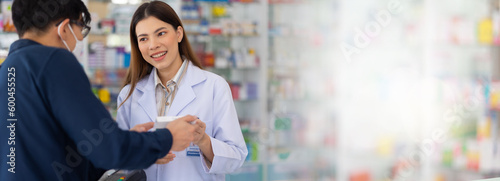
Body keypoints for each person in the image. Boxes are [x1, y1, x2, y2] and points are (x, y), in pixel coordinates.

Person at [0, 0, 202, 180]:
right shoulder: (54, 61)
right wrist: (167, 138)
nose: (80, 38)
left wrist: (130, 141)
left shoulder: (8, 68)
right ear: (64, 28)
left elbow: (50, 155)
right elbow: (108, 150)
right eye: (81, 28)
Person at [116, 1, 248, 180]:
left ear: (178, 34)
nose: (153, 45)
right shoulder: (129, 95)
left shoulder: (214, 86)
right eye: (143, 39)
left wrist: (203, 141)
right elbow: (118, 162)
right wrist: (139, 151)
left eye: (161, 33)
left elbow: (236, 157)